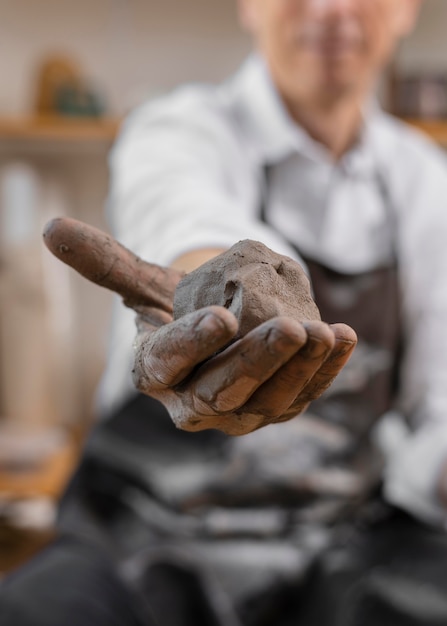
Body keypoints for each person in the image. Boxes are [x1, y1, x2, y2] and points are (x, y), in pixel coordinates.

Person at [3, 0, 447, 624]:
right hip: (146, 528)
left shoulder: (426, 183)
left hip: (342, 543)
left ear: (407, 10)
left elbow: (438, 408)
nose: (331, 10)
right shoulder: (179, 126)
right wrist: (215, 287)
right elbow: (185, 211)